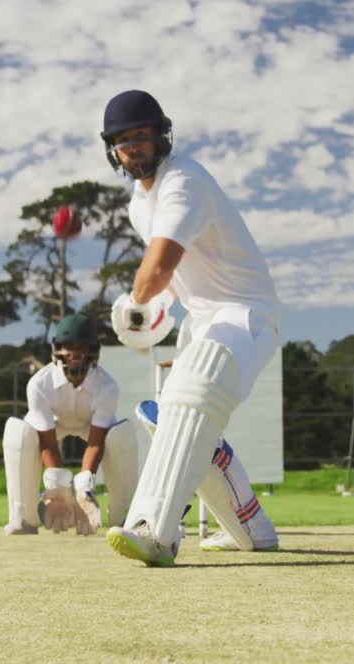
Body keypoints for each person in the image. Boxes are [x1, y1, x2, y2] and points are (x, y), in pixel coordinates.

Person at [100, 90, 280, 566]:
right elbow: (177, 281)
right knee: (175, 418)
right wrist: (152, 309)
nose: (134, 147)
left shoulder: (185, 181)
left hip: (247, 313)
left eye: (141, 136)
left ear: (161, 135)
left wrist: (134, 302)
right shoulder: (140, 205)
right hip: (201, 320)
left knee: (194, 390)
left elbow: (157, 271)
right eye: (123, 141)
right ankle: (253, 528)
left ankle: (153, 532)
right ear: (112, 150)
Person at [3, 313, 139, 536]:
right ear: (57, 349)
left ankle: (124, 517)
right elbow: (46, 442)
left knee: (122, 433)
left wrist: (84, 488)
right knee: (18, 432)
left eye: (81, 347)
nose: (75, 354)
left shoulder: (107, 386)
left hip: (90, 427)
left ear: (93, 351)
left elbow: (96, 443)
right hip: (53, 427)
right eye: (68, 346)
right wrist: (59, 486)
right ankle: (23, 518)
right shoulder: (39, 383)